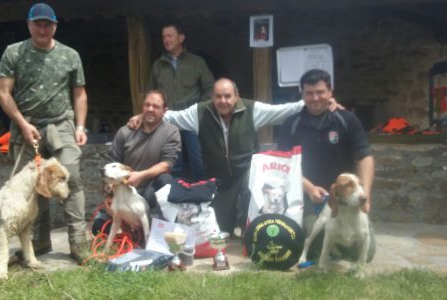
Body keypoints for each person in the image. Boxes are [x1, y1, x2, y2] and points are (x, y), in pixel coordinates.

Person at [129, 78, 341, 236]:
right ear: (212, 97)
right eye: (218, 96)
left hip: (248, 175)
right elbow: (172, 116)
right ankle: (231, 219)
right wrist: (143, 115)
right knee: (222, 230)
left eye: (227, 96)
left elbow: (283, 111)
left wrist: (319, 102)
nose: (222, 101)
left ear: (236, 96)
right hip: (219, 180)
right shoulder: (199, 112)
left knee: (250, 221)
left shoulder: (252, 109)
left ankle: (251, 227)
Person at [0, 2, 89, 263]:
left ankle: (79, 243)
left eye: (47, 24)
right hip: (27, 126)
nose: (42, 28)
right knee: (31, 187)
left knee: (71, 178)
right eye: (37, 23)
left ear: (55, 26)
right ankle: (38, 242)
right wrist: (23, 124)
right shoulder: (14, 53)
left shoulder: (70, 55)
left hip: (61, 125)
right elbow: (4, 93)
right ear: (29, 24)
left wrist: (80, 126)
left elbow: (79, 94)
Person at [276, 69, 376, 261]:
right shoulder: (291, 124)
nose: (315, 98)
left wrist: (365, 196)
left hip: (345, 196)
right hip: (311, 198)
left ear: (330, 92)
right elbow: (285, 165)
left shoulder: (346, 119)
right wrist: (310, 189)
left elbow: (365, 157)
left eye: (320, 92)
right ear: (302, 94)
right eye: (309, 93)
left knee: (365, 253)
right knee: (315, 245)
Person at [92, 90, 181, 236]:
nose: (150, 109)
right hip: (124, 192)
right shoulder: (125, 132)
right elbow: (111, 164)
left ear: (165, 111)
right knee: (98, 227)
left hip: (150, 192)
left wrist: (140, 175)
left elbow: (167, 164)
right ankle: (131, 231)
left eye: (156, 106)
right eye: (147, 105)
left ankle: (159, 232)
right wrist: (108, 196)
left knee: (166, 180)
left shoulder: (171, 132)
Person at [146, 21, 214, 181]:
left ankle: (201, 197)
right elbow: (151, 92)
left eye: (170, 36)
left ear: (181, 38)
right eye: (164, 37)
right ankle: (175, 199)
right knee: (173, 164)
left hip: (190, 119)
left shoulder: (197, 62)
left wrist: (198, 109)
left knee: (198, 162)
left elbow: (210, 88)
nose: (166, 40)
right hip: (168, 119)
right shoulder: (158, 65)